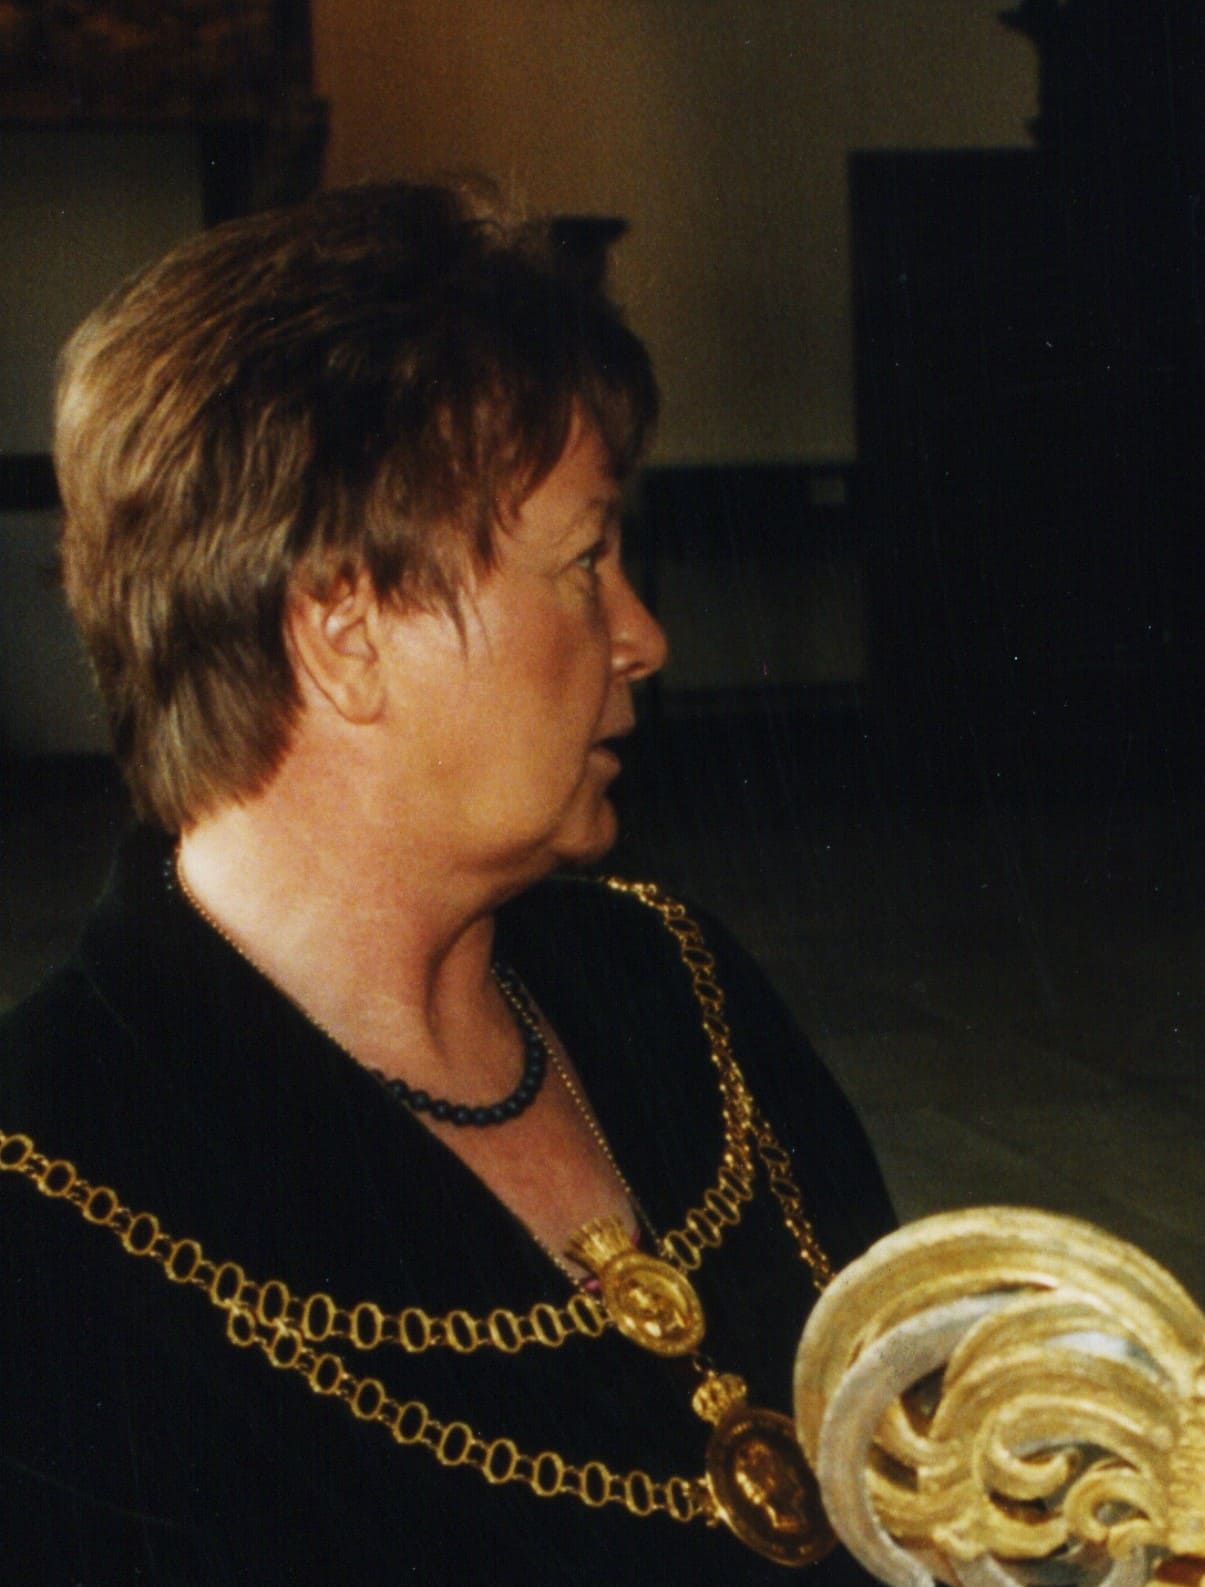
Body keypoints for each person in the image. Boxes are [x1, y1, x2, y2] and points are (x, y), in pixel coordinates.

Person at [0, 181, 894, 1582]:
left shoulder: (675, 980)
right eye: (587, 562)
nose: (643, 636)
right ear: (344, 629)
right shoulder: (51, 1185)